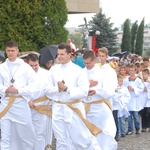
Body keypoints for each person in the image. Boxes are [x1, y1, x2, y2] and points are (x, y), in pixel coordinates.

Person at [45, 43, 101, 150]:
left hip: (73, 108)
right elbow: (46, 89)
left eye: (62, 54)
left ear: (69, 55)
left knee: (80, 139)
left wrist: (66, 88)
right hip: (58, 108)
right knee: (61, 140)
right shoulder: (53, 70)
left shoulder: (78, 70)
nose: (59, 57)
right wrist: (57, 89)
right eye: (58, 54)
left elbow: (83, 91)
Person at [0, 40, 39, 150]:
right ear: (6, 51)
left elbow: (35, 86)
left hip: (20, 105)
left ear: (17, 51)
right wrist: (5, 89)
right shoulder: (1, 67)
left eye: (13, 50)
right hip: (6, 105)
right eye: (8, 51)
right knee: (5, 136)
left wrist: (19, 91)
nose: (10, 53)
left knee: (25, 135)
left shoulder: (26, 68)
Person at [83, 50, 117, 150]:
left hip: (99, 108)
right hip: (84, 108)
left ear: (94, 60)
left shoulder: (103, 73)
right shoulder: (81, 72)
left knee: (104, 134)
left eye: (88, 63)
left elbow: (110, 91)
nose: (86, 65)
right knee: (86, 136)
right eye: (85, 63)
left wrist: (96, 91)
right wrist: (87, 85)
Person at [26, 53, 53, 150]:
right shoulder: (22, 74)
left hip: (43, 107)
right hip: (27, 108)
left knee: (41, 133)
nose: (33, 67)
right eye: (31, 65)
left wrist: (51, 96)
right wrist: (28, 99)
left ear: (39, 63)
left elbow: (51, 88)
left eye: (35, 65)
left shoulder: (46, 74)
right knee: (27, 134)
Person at [124, 64, 144, 135]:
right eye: (129, 70)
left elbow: (141, 89)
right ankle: (130, 129)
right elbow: (123, 88)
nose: (131, 72)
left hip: (135, 100)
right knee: (129, 116)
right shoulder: (126, 80)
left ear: (135, 71)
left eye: (132, 70)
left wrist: (134, 89)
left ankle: (137, 128)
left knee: (136, 116)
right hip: (129, 100)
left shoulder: (138, 80)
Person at [112, 75, 131, 141]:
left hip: (121, 106)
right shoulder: (113, 88)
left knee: (122, 119)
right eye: (119, 81)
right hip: (115, 106)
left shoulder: (124, 88)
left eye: (121, 81)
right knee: (116, 120)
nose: (120, 82)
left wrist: (122, 102)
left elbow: (128, 96)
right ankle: (117, 132)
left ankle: (123, 132)